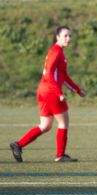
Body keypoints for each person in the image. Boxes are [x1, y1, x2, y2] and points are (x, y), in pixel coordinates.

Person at [9, 26, 87, 163]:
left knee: (45, 125)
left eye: (70, 36)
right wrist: (59, 93)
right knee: (63, 122)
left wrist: (77, 90)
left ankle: (18, 145)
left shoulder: (58, 52)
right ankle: (60, 155)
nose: (69, 38)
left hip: (44, 90)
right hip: (50, 91)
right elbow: (49, 73)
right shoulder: (56, 52)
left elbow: (63, 75)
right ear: (57, 37)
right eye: (65, 35)